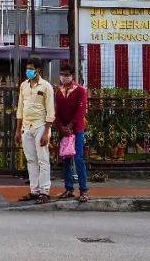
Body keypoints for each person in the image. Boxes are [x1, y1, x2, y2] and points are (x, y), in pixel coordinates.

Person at [16, 58, 55, 203]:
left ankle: (44, 191)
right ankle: (34, 190)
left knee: (43, 159)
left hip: (41, 126)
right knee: (31, 159)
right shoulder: (24, 86)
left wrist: (46, 132)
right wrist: (17, 130)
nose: (29, 71)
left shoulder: (46, 87)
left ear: (39, 70)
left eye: (31, 68)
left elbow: (50, 111)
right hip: (27, 126)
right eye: (27, 68)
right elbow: (20, 108)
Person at [54, 64, 89, 202]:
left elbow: (81, 111)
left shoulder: (80, 90)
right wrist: (61, 126)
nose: (64, 77)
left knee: (79, 159)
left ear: (72, 75)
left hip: (77, 129)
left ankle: (83, 190)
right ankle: (69, 188)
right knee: (66, 159)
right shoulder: (59, 91)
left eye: (67, 74)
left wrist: (70, 125)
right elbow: (57, 111)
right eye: (62, 74)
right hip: (64, 129)